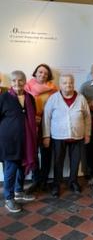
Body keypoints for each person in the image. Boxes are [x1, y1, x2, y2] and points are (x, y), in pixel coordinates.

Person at [42, 74, 91, 198]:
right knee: (58, 161)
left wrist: (87, 133)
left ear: (73, 83)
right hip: (58, 136)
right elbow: (46, 118)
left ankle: (73, 181)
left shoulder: (81, 98)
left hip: (78, 136)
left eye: (70, 82)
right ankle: (56, 184)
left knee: (75, 162)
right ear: (60, 84)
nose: (67, 85)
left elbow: (87, 117)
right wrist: (46, 136)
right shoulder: (53, 98)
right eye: (64, 83)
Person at [0, 71, 37, 213]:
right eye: (14, 80)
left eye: (20, 80)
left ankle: (19, 191)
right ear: (10, 82)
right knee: (11, 170)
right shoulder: (4, 97)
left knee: (22, 167)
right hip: (9, 141)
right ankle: (9, 199)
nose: (17, 83)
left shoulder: (30, 98)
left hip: (26, 141)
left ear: (25, 81)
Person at [25, 64, 58, 192]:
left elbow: (56, 108)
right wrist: (33, 117)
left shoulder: (53, 89)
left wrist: (43, 117)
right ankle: (35, 180)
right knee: (32, 152)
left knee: (46, 153)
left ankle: (43, 180)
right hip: (30, 125)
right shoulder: (27, 87)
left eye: (45, 73)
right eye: (40, 72)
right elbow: (23, 106)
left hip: (47, 124)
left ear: (48, 75)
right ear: (35, 73)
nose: (42, 74)